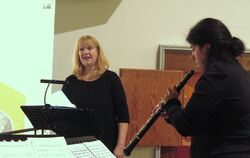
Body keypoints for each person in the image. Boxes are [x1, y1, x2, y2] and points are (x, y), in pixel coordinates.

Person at [159, 18, 250, 158]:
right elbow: (205, 120)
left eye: (193, 49)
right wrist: (171, 114)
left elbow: (186, 125)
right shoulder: (241, 74)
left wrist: (172, 102)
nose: (192, 56)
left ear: (207, 47)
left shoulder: (216, 75)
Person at [62, 35, 129, 158]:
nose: (85, 52)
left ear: (98, 51)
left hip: (105, 146)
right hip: (75, 147)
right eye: (81, 49)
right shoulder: (70, 82)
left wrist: (120, 146)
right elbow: (63, 117)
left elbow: (123, 116)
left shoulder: (111, 79)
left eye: (89, 48)